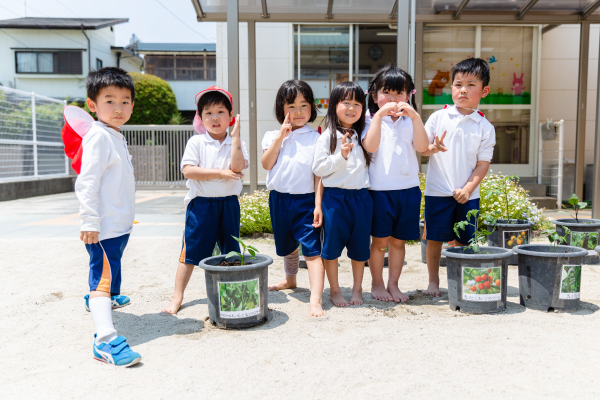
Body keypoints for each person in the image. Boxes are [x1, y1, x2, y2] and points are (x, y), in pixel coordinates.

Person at [161, 86, 249, 314]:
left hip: (229, 204)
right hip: (201, 206)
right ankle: (177, 297)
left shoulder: (236, 143)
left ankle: (232, 296)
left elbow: (238, 167)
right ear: (200, 118)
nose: (215, 117)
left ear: (231, 117)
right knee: (190, 253)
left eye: (221, 111)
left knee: (231, 253)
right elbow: (188, 171)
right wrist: (221, 173)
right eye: (208, 113)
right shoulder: (196, 142)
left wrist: (236, 136)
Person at [75, 67, 141, 366]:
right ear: (92, 105)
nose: (119, 108)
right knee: (100, 275)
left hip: (118, 225)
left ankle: (106, 297)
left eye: (125, 101)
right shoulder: (98, 137)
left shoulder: (114, 135)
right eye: (110, 101)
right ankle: (104, 339)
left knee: (110, 269)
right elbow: (86, 181)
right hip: (102, 228)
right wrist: (89, 221)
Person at [419, 58, 496, 297]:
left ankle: (459, 280)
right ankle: (433, 282)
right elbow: (422, 149)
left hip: (468, 196)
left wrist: (468, 189)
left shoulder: (485, 127)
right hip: (437, 192)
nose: (462, 89)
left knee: (463, 241)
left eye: (470, 84)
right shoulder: (437, 118)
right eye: (457, 84)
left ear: (484, 91)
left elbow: (483, 165)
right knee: (434, 240)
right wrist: (432, 148)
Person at [361, 64, 429, 303]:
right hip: (378, 191)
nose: (393, 98)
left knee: (399, 242)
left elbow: (422, 148)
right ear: (374, 95)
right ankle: (377, 284)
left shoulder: (411, 121)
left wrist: (416, 117)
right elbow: (370, 147)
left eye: (399, 93)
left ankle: (394, 285)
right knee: (379, 242)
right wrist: (379, 116)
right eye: (386, 92)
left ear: (409, 95)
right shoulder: (368, 120)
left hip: (408, 189)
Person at [261, 80, 326, 318]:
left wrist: (318, 205)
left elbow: (319, 176)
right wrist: (280, 136)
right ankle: (290, 280)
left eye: (304, 105)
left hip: (306, 201)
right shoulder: (271, 136)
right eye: (292, 106)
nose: (298, 112)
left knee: (312, 251)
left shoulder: (317, 138)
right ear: (282, 108)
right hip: (279, 199)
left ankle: (316, 300)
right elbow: (267, 164)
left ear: (312, 108)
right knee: (287, 246)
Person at [312, 81, 372, 307]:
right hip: (335, 199)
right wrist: (341, 156)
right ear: (334, 105)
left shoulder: (363, 135)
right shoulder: (327, 137)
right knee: (331, 248)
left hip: (362, 199)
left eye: (357, 103)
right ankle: (335, 291)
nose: (352, 108)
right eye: (346, 102)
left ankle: (358, 289)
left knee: (360, 248)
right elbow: (318, 169)